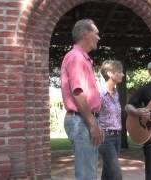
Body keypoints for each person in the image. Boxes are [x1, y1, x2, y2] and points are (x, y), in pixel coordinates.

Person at [60, 19, 104, 180]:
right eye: (96, 33)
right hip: (82, 121)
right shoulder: (76, 57)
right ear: (86, 34)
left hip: (84, 120)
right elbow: (78, 92)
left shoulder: (81, 58)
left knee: (90, 173)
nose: (99, 37)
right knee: (87, 175)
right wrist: (93, 124)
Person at [98, 60, 124, 180]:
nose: (122, 74)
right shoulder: (99, 93)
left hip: (117, 136)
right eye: (119, 72)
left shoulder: (116, 92)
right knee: (116, 174)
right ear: (109, 73)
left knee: (108, 172)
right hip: (105, 137)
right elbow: (93, 113)